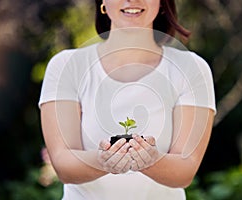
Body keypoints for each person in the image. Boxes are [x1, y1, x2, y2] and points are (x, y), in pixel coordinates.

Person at [39, 0, 216, 199]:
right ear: (103, 2)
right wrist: (103, 160)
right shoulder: (66, 66)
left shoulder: (191, 69)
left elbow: (185, 171)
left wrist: (151, 160)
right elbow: (63, 164)